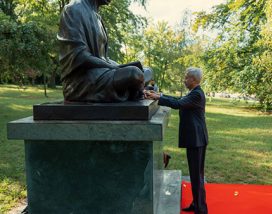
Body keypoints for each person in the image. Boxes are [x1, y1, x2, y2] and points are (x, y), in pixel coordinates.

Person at [58, 0, 151, 102]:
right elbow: (79, 56)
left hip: (102, 72)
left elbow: (104, 58)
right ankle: (134, 89)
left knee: (147, 71)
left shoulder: (97, 16)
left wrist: (117, 66)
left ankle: (134, 88)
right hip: (82, 81)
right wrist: (114, 68)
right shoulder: (73, 9)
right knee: (134, 73)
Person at [145, 67, 208, 214]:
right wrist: (159, 95)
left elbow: (178, 104)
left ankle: (201, 210)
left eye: (186, 77)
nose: (184, 80)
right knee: (195, 175)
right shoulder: (194, 93)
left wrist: (158, 98)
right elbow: (179, 100)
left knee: (197, 176)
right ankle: (197, 204)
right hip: (196, 139)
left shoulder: (197, 94)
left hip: (197, 140)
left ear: (193, 80)